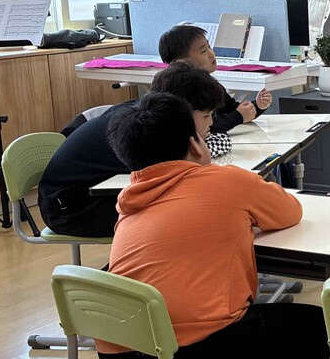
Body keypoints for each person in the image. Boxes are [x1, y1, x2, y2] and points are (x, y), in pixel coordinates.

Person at [100, 92, 329, 359]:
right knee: (315, 326)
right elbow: (290, 211)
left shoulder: (129, 202)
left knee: (210, 312)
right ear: (195, 143)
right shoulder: (227, 181)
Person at [38, 62, 226, 238]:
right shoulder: (147, 129)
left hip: (87, 194)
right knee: (180, 209)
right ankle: (129, 271)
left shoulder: (148, 116)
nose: (210, 122)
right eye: (206, 115)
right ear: (180, 110)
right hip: (69, 208)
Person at [157, 24, 272, 134]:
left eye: (209, 46)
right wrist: (238, 116)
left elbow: (233, 109)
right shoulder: (180, 88)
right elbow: (205, 125)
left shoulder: (209, 83)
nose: (211, 54)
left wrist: (257, 106)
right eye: (203, 51)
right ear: (180, 61)